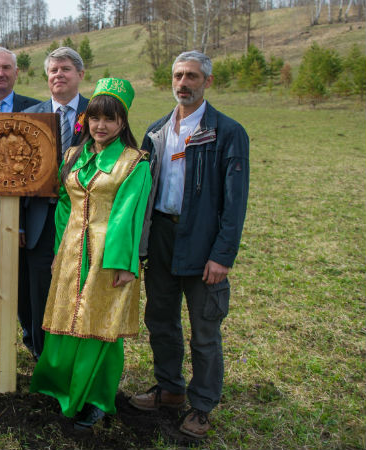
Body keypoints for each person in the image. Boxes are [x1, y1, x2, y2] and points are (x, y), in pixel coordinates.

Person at [130, 50, 249, 439]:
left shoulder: (227, 133)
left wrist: (222, 255)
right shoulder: (156, 131)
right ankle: (169, 389)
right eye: (178, 76)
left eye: (192, 77)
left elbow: (235, 203)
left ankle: (201, 405)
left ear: (207, 82)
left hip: (202, 240)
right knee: (160, 320)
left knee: (204, 329)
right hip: (163, 235)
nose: (183, 83)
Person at [30, 78, 151, 429]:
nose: (101, 126)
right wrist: (58, 251)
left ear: (122, 123)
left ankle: (96, 398)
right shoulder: (74, 156)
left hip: (106, 254)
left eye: (110, 119)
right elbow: (64, 207)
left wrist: (123, 264)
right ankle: (62, 388)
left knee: (99, 324)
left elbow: (130, 215)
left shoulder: (134, 163)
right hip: (70, 251)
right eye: (96, 118)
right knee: (66, 318)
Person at [22, 47, 89, 360]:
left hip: (83, 220)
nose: (59, 75)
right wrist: (19, 223)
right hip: (38, 219)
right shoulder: (29, 117)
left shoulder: (99, 114)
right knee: (38, 290)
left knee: (77, 289)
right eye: (53, 70)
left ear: (80, 75)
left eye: (65, 69)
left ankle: (75, 354)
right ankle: (41, 355)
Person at [0, 46, 40, 368]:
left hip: (25, 213)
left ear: (16, 73)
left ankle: (30, 338)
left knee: (26, 281)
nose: (0, 73)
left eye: (6, 68)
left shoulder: (36, 110)